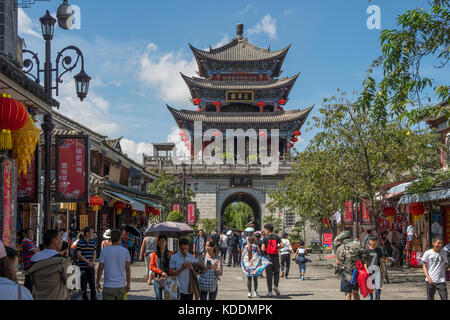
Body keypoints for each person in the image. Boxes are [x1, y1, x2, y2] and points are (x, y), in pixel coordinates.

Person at [27, 230, 72, 300]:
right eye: (60, 239)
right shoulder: (62, 260)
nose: (62, 242)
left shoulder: (34, 259)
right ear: (54, 241)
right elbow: (71, 282)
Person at [96, 229, 131, 300]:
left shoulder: (105, 250)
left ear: (110, 238)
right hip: (121, 286)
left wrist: (98, 282)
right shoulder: (125, 251)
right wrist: (128, 283)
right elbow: (127, 269)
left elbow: (100, 268)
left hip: (108, 286)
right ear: (120, 238)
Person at [335, 230, 364, 300]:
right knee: (355, 292)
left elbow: (337, 262)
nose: (341, 241)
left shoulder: (340, 248)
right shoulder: (357, 245)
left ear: (344, 239)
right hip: (356, 273)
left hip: (345, 273)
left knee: (348, 294)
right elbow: (363, 259)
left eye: (341, 239)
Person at [261, 223, 284, 296]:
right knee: (276, 273)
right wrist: (277, 248)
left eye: (265, 229)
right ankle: (276, 286)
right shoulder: (276, 237)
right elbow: (282, 245)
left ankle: (270, 291)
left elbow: (263, 248)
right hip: (275, 258)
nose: (264, 231)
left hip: (268, 258)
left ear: (267, 230)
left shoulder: (265, 238)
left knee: (269, 275)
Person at [76, 226, 98, 301]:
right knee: (83, 287)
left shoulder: (93, 242)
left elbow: (95, 253)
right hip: (82, 267)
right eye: (92, 232)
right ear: (87, 233)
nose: (93, 234)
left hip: (91, 267)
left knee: (92, 286)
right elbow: (79, 255)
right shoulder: (79, 242)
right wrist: (88, 262)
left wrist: (92, 262)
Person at [150, 235, 172, 300]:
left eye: (163, 241)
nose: (161, 243)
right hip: (157, 279)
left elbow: (174, 265)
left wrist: (171, 257)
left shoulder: (170, 253)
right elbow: (151, 266)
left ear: (166, 242)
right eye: (160, 241)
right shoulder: (155, 253)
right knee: (158, 298)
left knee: (168, 298)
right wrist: (161, 272)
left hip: (168, 279)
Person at [364, 235, 385, 300]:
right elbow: (365, 262)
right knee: (369, 290)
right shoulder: (366, 251)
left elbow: (381, 261)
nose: (373, 242)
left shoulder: (379, 250)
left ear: (376, 242)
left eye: (374, 241)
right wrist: (366, 271)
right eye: (371, 241)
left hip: (377, 272)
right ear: (369, 242)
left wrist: (383, 272)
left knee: (377, 289)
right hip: (369, 272)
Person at [21, 228, 39, 293]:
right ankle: (26, 293)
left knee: (29, 280)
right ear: (25, 234)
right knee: (29, 281)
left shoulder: (28, 241)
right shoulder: (26, 241)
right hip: (28, 264)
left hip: (29, 263)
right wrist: (38, 248)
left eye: (32, 233)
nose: (31, 235)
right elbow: (34, 250)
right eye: (29, 233)